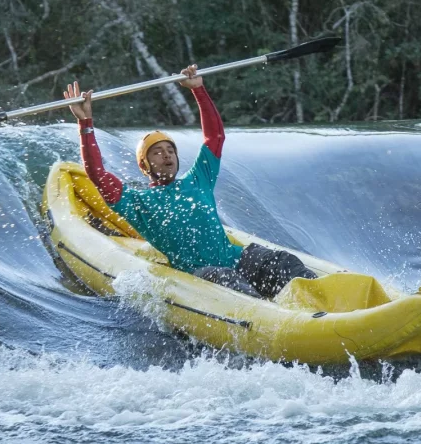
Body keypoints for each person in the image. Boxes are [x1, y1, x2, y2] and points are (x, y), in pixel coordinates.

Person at [63, 65, 316, 299]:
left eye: (170, 150)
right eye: (157, 152)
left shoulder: (198, 179)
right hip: (201, 275)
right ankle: (271, 316)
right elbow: (97, 173)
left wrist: (198, 89)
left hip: (236, 259)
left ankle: (323, 301)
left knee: (284, 262)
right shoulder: (138, 203)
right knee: (228, 280)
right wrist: (85, 123)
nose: (166, 155)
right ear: (144, 166)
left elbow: (215, 137)